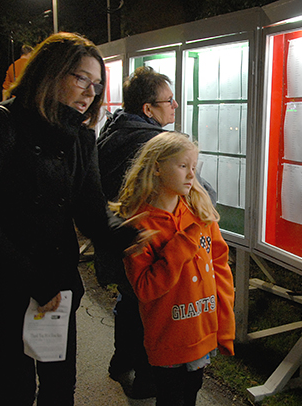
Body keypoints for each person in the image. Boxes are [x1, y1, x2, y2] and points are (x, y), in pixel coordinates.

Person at [0, 32, 148, 406]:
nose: (90, 92)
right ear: (49, 72)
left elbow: (91, 210)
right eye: (81, 78)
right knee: (17, 388)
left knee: (59, 387)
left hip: (53, 288)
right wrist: (30, 278)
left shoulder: (81, 138)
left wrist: (136, 233)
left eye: (97, 84)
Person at [96, 65, 216, 399]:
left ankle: (122, 361)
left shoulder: (112, 132)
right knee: (149, 313)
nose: (175, 106)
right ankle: (148, 380)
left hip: (119, 244)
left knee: (129, 302)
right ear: (148, 109)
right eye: (168, 100)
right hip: (151, 246)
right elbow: (201, 195)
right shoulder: (155, 144)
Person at [115, 131, 235, 406]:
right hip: (167, 340)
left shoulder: (200, 213)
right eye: (183, 166)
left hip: (202, 332)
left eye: (193, 167)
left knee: (192, 390)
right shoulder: (138, 225)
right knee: (170, 398)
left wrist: (225, 326)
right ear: (156, 167)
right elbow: (145, 288)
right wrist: (181, 244)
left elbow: (221, 269)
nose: (191, 175)